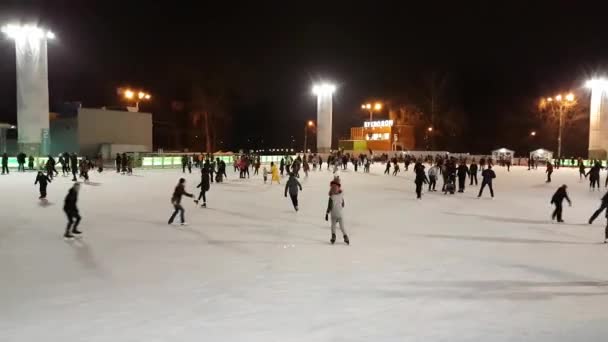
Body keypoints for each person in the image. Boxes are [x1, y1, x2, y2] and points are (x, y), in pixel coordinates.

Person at [325, 178, 349, 245]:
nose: (334, 189)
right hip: (338, 214)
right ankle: (344, 236)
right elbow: (343, 204)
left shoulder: (332, 197)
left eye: (335, 188)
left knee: (334, 226)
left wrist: (327, 213)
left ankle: (335, 236)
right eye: (333, 188)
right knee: (340, 227)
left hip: (335, 214)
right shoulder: (340, 196)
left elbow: (329, 207)